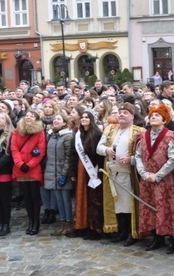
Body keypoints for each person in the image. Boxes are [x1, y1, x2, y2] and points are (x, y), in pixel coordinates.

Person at [134, 104, 174, 253]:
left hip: (164, 180)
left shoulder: (171, 136)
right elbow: (137, 156)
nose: (153, 117)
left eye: (157, 115)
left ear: (165, 120)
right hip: (147, 180)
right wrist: (143, 173)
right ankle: (157, 237)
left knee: (167, 208)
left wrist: (158, 175)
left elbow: (173, 159)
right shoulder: (143, 136)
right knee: (150, 208)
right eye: (152, 115)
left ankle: (173, 240)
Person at [96, 103, 145, 245]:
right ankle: (121, 232)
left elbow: (143, 155)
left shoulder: (138, 131)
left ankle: (132, 233)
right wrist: (106, 150)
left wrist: (131, 159)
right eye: (120, 112)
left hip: (128, 173)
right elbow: (98, 147)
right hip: (111, 173)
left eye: (126, 113)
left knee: (128, 204)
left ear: (132, 116)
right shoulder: (110, 129)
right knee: (116, 204)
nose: (122, 114)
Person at [11, 111, 47, 236]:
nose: (29, 118)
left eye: (31, 116)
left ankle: (36, 222)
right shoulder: (17, 131)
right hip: (20, 168)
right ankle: (30, 220)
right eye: (27, 116)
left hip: (33, 168)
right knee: (26, 197)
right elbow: (14, 149)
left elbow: (41, 151)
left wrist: (30, 165)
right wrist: (20, 164)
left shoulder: (39, 132)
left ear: (36, 119)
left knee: (34, 197)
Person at [72, 110, 105, 239]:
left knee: (93, 199)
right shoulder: (78, 134)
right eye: (82, 117)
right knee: (82, 197)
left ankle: (95, 228)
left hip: (93, 170)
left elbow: (99, 155)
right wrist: (72, 172)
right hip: (81, 170)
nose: (84, 119)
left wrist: (97, 171)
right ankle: (82, 225)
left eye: (87, 117)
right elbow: (74, 154)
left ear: (92, 119)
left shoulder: (97, 134)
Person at [44, 111, 74, 236]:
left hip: (62, 172)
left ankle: (68, 222)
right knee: (58, 199)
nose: (55, 121)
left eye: (58, 119)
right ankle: (62, 221)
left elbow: (68, 157)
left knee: (65, 199)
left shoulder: (68, 136)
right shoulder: (51, 136)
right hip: (52, 171)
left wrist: (64, 173)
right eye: (54, 119)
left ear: (64, 123)